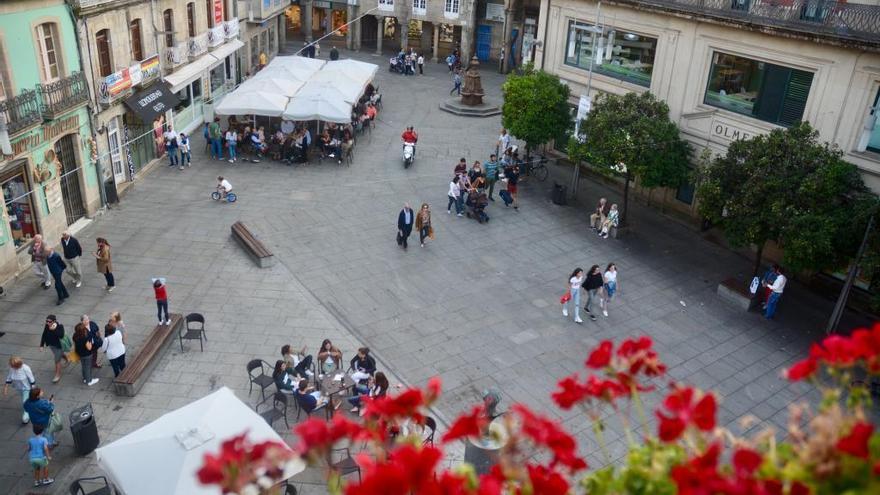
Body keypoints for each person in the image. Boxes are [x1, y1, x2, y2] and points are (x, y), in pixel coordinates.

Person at [4, 357, 35, 424]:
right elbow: (9, 377)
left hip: (26, 388)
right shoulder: (12, 369)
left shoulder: (25, 368)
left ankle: (26, 417)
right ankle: (32, 405)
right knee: (27, 399)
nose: (13, 368)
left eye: (14, 366)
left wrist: (33, 388)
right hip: (18, 388)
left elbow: (31, 378)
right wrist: (6, 388)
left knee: (25, 402)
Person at [39, 315, 66, 383]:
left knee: (57, 361)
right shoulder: (47, 326)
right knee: (59, 355)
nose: (47, 323)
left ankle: (57, 375)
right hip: (52, 346)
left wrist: (54, 330)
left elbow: (61, 335)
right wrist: (41, 345)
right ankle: (67, 359)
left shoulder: (60, 326)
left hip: (59, 346)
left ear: (54, 321)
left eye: (49, 321)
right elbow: (44, 334)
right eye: (46, 321)